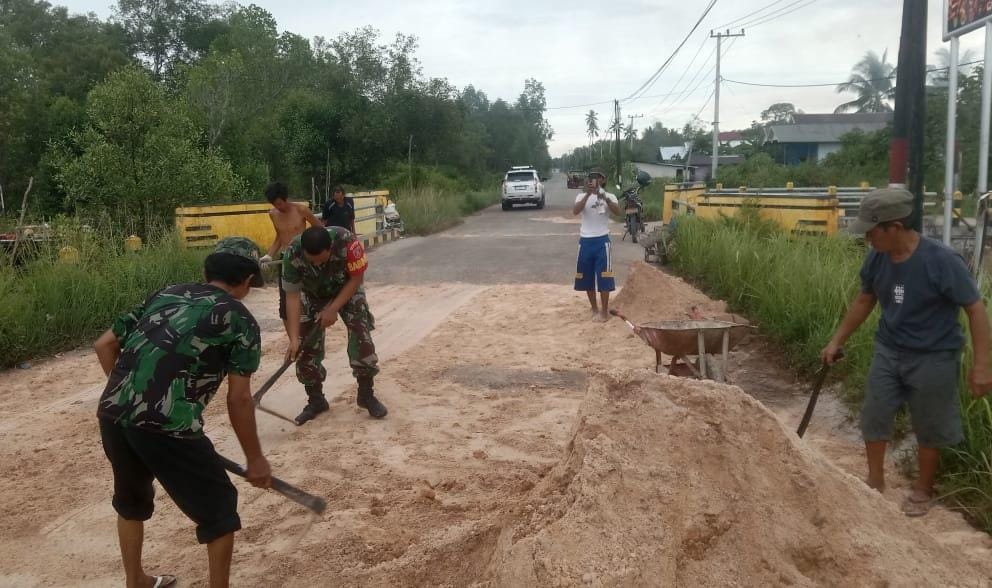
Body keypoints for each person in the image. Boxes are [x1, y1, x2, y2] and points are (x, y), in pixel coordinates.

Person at [94, 237, 272, 588]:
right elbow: (238, 400)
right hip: (167, 425)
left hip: (114, 412)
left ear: (207, 271)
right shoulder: (240, 321)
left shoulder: (168, 293)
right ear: (248, 281)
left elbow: (104, 345)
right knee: (220, 511)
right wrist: (256, 459)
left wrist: (135, 398)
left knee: (130, 500)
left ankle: (136, 581)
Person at [820, 187, 991, 517]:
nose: (868, 239)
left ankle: (923, 490)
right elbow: (864, 300)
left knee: (930, 423)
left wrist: (983, 365)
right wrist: (836, 340)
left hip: (934, 354)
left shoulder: (942, 261)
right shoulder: (878, 257)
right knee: (875, 412)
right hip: (889, 348)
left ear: (894, 227)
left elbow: (975, 309)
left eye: (872, 232)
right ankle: (874, 481)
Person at [282, 226, 387, 424]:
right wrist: (294, 338)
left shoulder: (347, 242)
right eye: (312, 261)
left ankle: (366, 394)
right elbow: (292, 297)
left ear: (330, 248)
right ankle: (316, 400)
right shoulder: (292, 253)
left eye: (321, 260)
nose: (317, 264)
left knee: (361, 335)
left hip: (347, 289)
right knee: (304, 347)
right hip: (312, 295)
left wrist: (333, 308)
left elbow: (357, 278)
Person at [260, 182, 323, 328]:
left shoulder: (301, 210)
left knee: (307, 297)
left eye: (280, 203)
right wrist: (269, 255)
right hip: (285, 260)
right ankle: (293, 339)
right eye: (275, 205)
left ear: (285, 198)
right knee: (285, 301)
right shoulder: (273, 214)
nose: (278, 207)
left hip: (304, 259)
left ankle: (311, 332)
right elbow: (279, 237)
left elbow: (320, 230)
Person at [573, 169, 620, 321]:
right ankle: (594, 309)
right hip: (585, 240)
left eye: (598, 178)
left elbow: (617, 212)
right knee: (586, 276)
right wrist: (588, 194)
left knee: (604, 277)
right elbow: (575, 211)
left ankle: (605, 312)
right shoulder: (581, 196)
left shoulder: (610, 196)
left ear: (603, 181)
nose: (594, 181)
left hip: (602, 240)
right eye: (592, 178)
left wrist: (604, 196)